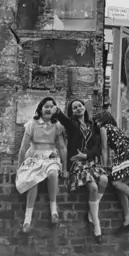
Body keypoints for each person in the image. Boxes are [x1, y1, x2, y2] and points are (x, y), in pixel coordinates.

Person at [52, 98, 108, 244]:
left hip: (90, 160)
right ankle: (97, 226)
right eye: (74, 107)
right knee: (94, 187)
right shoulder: (72, 125)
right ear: (72, 112)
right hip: (77, 163)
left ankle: (91, 212)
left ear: (84, 107)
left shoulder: (92, 125)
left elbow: (97, 146)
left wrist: (87, 155)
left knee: (104, 180)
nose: (78, 108)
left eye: (80, 105)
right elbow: (63, 119)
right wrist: (56, 110)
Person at [16, 96, 67, 233]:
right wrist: (20, 166)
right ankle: (27, 219)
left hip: (50, 154)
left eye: (52, 106)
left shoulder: (57, 126)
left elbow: (62, 147)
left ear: (55, 110)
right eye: (46, 106)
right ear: (40, 109)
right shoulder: (31, 124)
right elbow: (23, 147)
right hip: (34, 154)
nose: (49, 109)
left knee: (52, 173)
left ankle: (53, 210)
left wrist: (65, 168)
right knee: (32, 180)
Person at [94, 110, 129, 232]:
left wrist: (104, 165)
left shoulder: (104, 128)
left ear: (102, 120)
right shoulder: (114, 127)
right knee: (118, 185)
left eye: (97, 120)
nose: (95, 123)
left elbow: (104, 148)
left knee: (116, 183)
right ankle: (127, 216)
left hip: (126, 154)